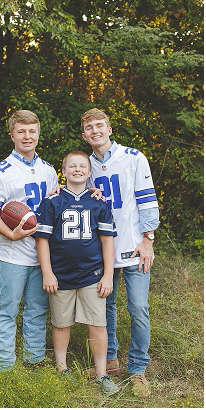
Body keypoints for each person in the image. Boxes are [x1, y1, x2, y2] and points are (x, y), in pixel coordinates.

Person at [80, 108, 159, 397]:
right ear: (84, 134)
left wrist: (148, 238)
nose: (95, 131)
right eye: (89, 127)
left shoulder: (133, 157)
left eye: (99, 125)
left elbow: (147, 198)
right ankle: (110, 360)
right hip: (104, 250)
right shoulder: (85, 165)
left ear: (109, 129)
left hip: (135, 246)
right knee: (105, 306)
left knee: (138, 307)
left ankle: (138, 368)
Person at [0, 109, 58, 371]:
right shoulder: (0, 172)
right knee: (7, 309)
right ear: (12, 134)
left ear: (38, 134)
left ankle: (33, 361)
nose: (27, 136)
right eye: (21, 131)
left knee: (37, 310)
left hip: (41, 254)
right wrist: (11, 233)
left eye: (32, 131)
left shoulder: (48, 170)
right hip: (11, 253)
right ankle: (4, 367)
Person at [35, 151, 119, 395]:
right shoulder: (52, 202)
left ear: (89, 172)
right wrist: (47, 273)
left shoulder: (99, 203)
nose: (78, 169)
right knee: (61, 324)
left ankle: (101, 374)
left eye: (83, 166)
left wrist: (107, 275)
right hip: (60, 275)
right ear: (64, 171)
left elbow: (106, 241)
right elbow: (42, 241)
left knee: (97, 324)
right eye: (72, 166)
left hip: (92, 275)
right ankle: (62, 369)